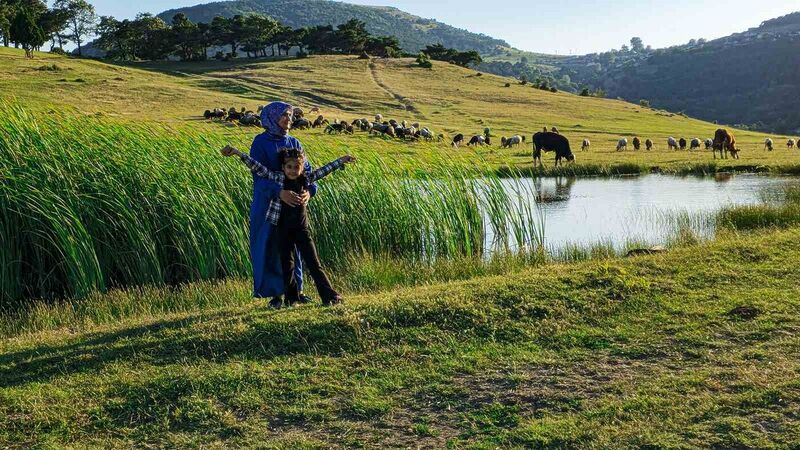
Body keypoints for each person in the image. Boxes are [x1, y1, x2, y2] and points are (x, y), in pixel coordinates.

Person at [222, 145, 356, 306]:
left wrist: (341, 160)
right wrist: (238, 153)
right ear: (283, 167)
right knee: (287, 265)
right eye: (289, 167)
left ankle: (330, 296)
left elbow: (324, 170)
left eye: (296, 167)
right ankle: (291, 299)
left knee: (314, 263)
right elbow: (257, 167)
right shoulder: (278, 179)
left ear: (302, 167)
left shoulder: (306, 179)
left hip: (302, 230)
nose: (292, 170)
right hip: (282, 230)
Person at [246, 101, 316, 307]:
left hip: (293, 205)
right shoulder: (260, 143)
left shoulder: (295, 142)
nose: (289, 119)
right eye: (284, 115)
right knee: (272, 245)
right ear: (271, 117)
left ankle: (297, 291)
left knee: (293, 247)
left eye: (291, 115)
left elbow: (308, 174)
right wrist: (279, 192)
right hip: (268, 205)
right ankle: (276, 293)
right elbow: (260, 176)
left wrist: (309, 193)